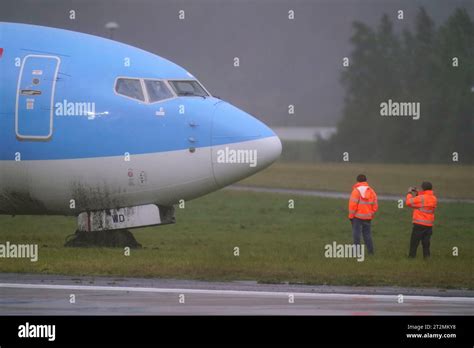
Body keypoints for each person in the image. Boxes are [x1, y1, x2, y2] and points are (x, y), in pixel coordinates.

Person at [406, 182, 437, 258]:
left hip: (419, 224)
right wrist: (418, 193)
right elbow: (424, 201)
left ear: (423, 188)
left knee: (414, 242)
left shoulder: (421, 198)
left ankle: (411, 257)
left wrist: (409, 193)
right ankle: (427, 257)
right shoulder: (434, 198)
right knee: (426, 243)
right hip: (429, 224)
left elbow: (408, 202)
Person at [348, 174, 378, 254]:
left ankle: (356, 253)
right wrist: (371, 213)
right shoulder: (372, 191)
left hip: (357, 217)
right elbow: (375, 206)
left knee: (356, 235)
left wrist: (351, 217)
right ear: (366, 180)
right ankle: (371, 252)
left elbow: (352, 206)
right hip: (368, 217)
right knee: (367, 235)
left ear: (357, 181)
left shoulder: (356, 191)